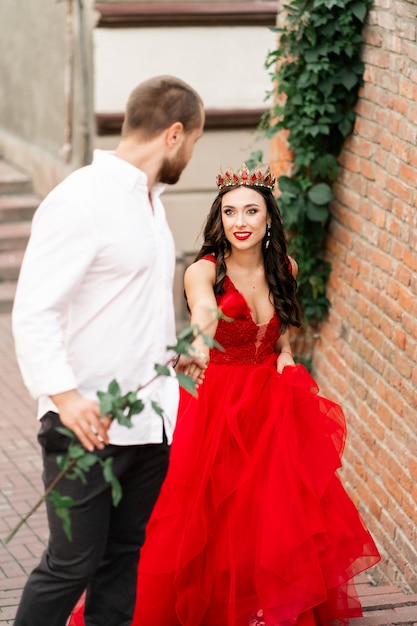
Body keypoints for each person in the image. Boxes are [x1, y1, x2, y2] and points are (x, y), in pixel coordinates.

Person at [71, 162, 381, 626]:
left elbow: (281, 336)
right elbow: (203, 314)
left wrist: (286, 360)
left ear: (269, 219)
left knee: (268, 516)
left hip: (271, 405)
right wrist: (196, 342)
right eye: (230, 211)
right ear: (220, 219)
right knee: (204, 517)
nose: (240, 222)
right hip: (217, 407)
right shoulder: (203, 271)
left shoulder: (286, 268)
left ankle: (258, 610)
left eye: (251, 211)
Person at [11, 75, 205, 626]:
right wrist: (66, 398)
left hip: (148, 426)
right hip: (85, 426)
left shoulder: (152, 203)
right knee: (70, 565)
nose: (191, 153)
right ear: (173, 134)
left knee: (121, 560)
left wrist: (171, 352)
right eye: (193, 141)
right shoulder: (79, 200)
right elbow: (35, 310)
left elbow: (129, 300)